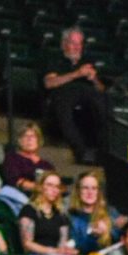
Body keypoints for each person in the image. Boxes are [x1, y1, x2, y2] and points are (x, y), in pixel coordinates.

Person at [43, 26, 108, 164]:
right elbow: (50, 83)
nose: (77, 47)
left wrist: (94, 79)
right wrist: (77, 74)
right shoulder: (56, 59)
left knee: (103, 101)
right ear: (64, 44)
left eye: (79, 44)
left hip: (87, 95)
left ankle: (104, 149)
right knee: (63, 102)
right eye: (73, 43)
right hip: (64, 94)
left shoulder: (88, 60)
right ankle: (81, 150)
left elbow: (101, 88)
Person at [66, 170, 127, 255]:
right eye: (85, 188)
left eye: (94, 188)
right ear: (78, 191)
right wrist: (93, 236)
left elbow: (119, 240)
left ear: (98, 192)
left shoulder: (110, 212)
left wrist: (121, 228)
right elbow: (76, 248)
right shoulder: (71, 216)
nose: (90, 192)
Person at [19, 172, 71, 255]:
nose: (54, 190)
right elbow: (27, 244)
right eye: (50, 185)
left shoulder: (61, 215)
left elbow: (62, 243)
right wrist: (52, 251)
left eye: (57, 187)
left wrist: (62, 253)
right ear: (40, 187)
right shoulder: (29, 210)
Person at [0, 122, 55, 204]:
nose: (29, 139)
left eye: (33, 136)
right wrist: (37, 187)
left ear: (39, 140)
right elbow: (14, 180)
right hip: (18, 197)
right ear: (20, 141)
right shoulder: (12, 158)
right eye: (26, 136)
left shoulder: (46, 165)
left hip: (44, 198)